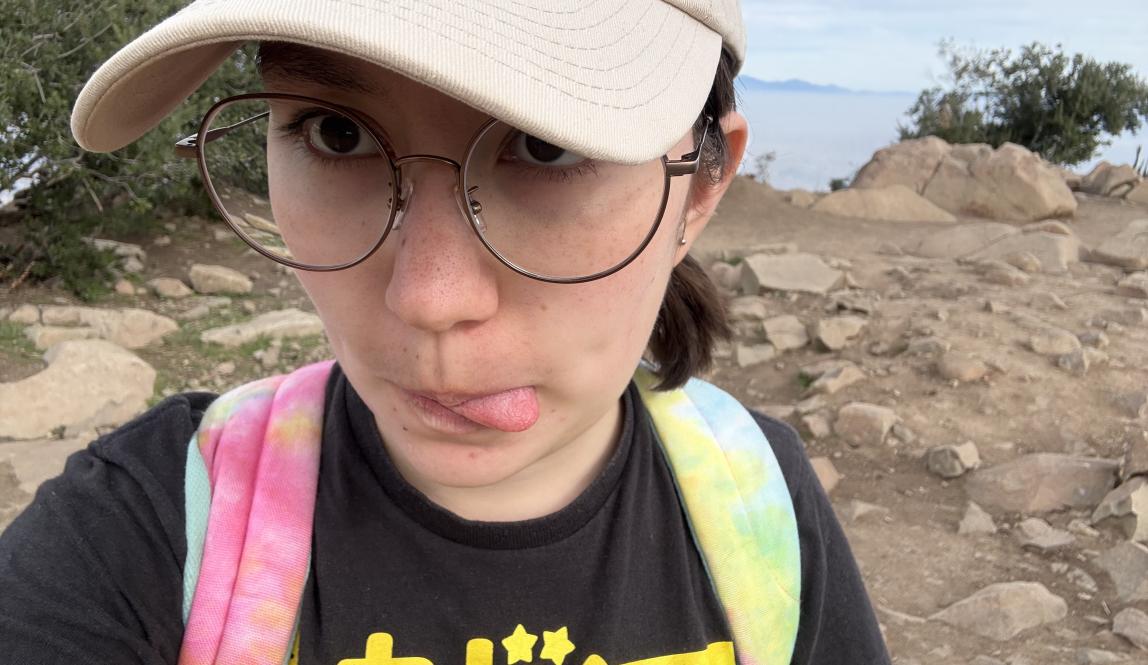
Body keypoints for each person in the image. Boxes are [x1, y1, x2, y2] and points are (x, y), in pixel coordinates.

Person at [0, 1, 890, 663]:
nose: (428, 299)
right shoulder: (144, 531)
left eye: (545, 145)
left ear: (700, 187)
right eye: (335, 131)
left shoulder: (760, 505)